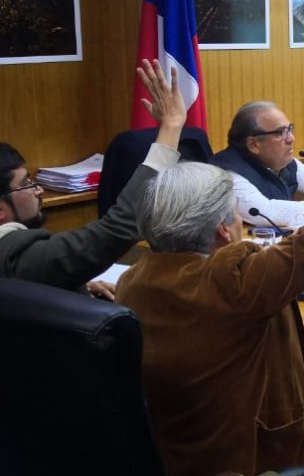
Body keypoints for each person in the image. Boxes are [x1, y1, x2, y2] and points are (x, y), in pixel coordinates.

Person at [115, 54, 304, 476]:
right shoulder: (234, 279)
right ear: (223, 231)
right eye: (236, 217)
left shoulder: (135, 280)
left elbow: (209, 333)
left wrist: (284, 325)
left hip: (179, 469)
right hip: (252, 475)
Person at [0, 59, 184, 299]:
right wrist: (171, 127)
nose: (39, 191)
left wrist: (75, 287)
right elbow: (115, 231)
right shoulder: (12, 254)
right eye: (25, 184)